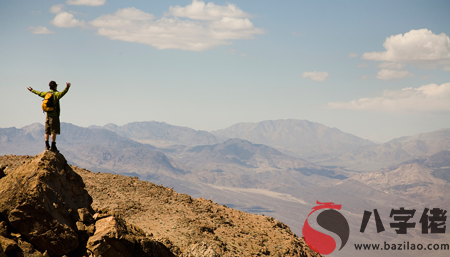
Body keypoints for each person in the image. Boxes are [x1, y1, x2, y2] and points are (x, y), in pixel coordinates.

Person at [27, 81, 71, 152]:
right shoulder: (56, 94)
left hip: (47, 115)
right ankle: (53, 146)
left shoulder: (47, 94)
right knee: (53, 131)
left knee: (47, 131)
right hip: (54, 115)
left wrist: (32, 90)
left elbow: (39, 93)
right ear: (55, 87)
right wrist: (67, 88)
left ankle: (47, 146)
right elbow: (63, 93)